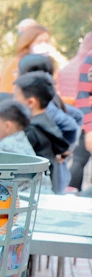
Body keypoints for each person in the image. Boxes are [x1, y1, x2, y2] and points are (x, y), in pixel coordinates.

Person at [14, 72, 70, 189]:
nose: (13, 101)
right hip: (48, 189)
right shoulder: (46, 122)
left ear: (31, 102)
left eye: (15, 97)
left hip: (35, 191)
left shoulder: (30, 131)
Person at [17, 54, 81, 148]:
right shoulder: (50, 98)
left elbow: (70, 125)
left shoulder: (46, 105)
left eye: (19, 72)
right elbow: (77, 115)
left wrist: (65, 149)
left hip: (50, 159)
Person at [62, 33, 92, 191]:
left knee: (79, 159)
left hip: (80, 117)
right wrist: (89, 129)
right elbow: (82, 95)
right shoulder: (90, 59)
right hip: (86, 119)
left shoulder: (77, 62)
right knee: (79, 159)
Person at [0, 22, 51, 94]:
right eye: (39, 41)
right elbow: (6, 92)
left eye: (46, 41)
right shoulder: (16, 63)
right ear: (28, 43)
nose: (44, 45)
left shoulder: (50, 64)